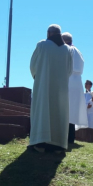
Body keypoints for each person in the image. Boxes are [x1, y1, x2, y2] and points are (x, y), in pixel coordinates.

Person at [29, 24, 73, 153]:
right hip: (61, 89)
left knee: (43, 110)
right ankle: (58, 145)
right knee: (58, 112)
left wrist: (39, 77)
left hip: (44, 85)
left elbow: (33, 66)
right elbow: (69, 70)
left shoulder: (42, 45)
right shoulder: (67, 50)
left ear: (49, 33)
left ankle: (40, 142)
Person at [62, 32, 88, 144]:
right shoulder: (78, 51)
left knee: (66, 109)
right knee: (72, 111)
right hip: (77, 82)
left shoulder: (66, 49)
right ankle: (71, 137)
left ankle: (66, 137)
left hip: (68, 79)